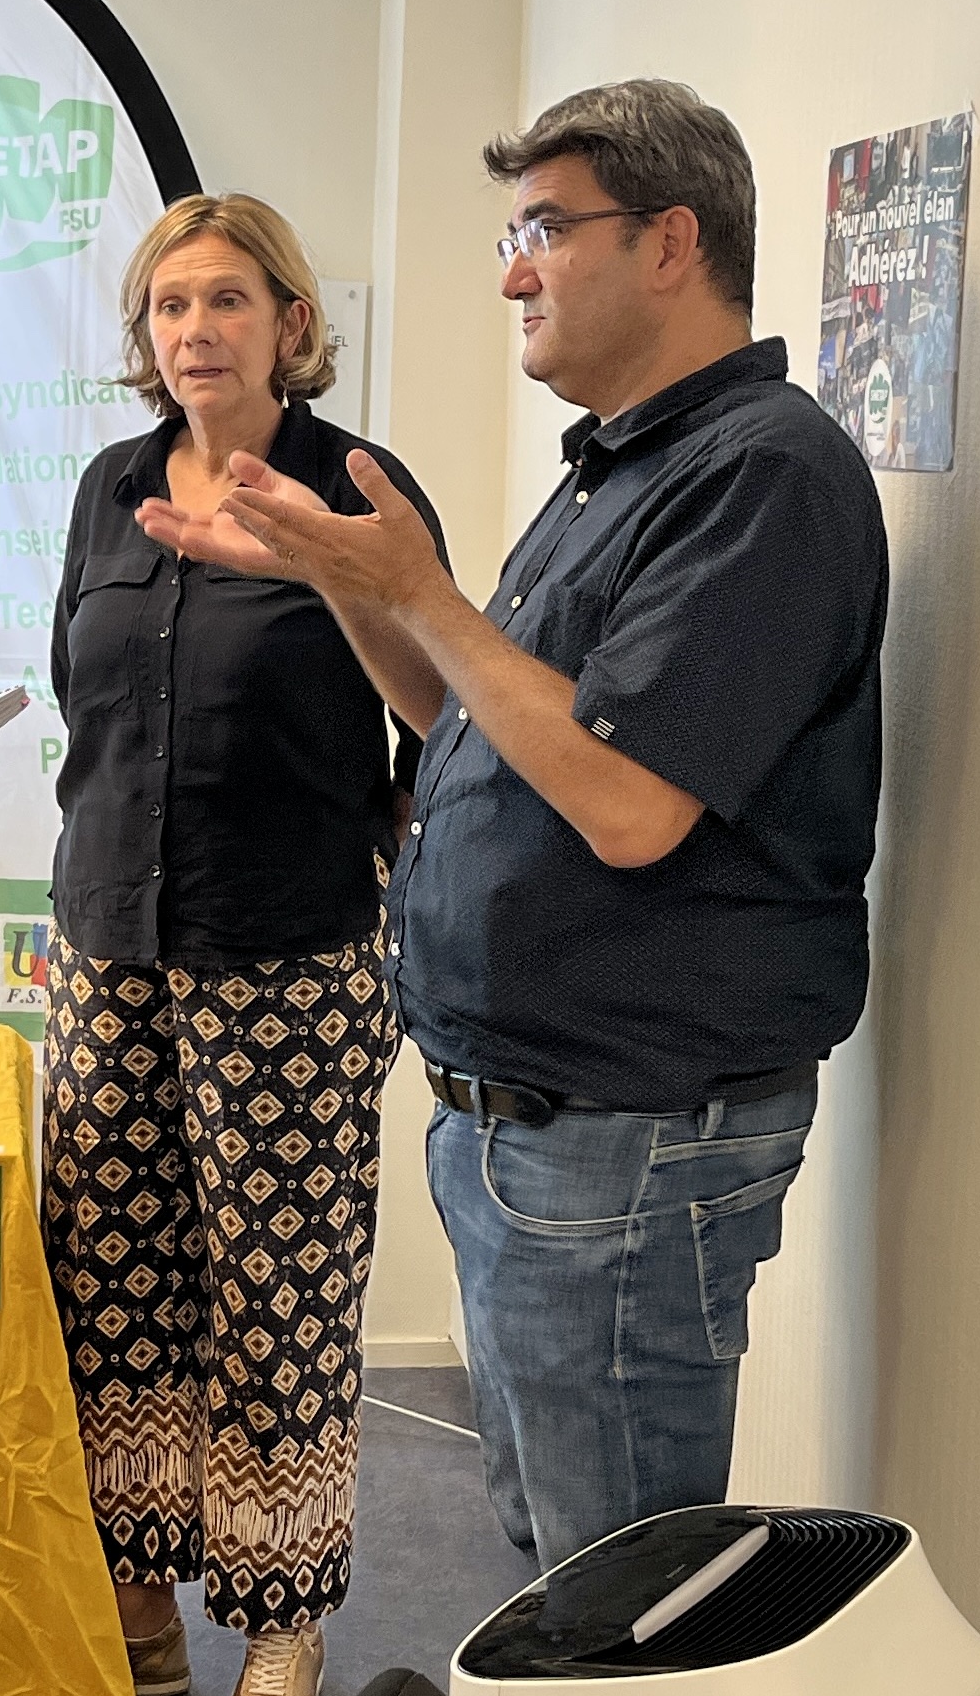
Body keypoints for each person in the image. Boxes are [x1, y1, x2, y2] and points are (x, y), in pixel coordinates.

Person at [152, 78, 887, 1572]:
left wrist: (419, 586)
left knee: (611, 1595)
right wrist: (346, 583)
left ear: (670, 241)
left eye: (545, 230)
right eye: (514, 237)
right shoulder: (624, 462)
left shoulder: (761, 473)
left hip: (626, 1135)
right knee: (553, 1558)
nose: (513, 275)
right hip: (535, 1130)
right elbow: (471, 721)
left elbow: (623, 803)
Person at [41, 192, 445, 1696]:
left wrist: (320, 580)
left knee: (278, 1292)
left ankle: (283, 1624)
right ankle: (138, 1595)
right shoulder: (110, 487)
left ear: (291, 321)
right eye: (169, 304)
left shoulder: (353, 487)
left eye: (225, 299)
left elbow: (437, 706)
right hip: (107, 942)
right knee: (113, 1280)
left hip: (290, 950)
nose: (195, 329)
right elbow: (80, 690)